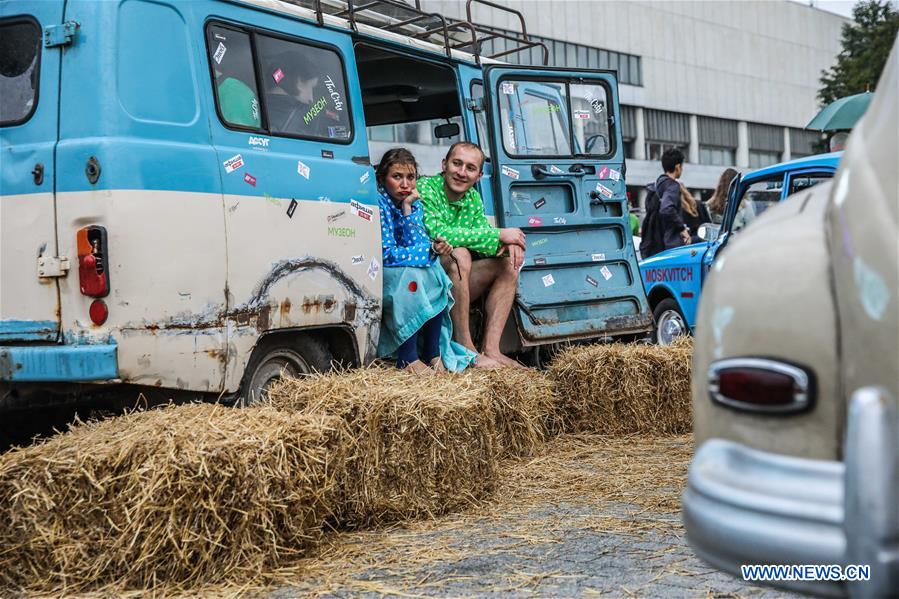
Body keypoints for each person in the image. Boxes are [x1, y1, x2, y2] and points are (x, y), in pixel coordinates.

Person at [417, 142, 526, 369]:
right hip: (423, 285)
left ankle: (492, 349)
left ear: (478, 176)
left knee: (508, 266)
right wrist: (499, 234)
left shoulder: (473, 198)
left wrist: (509, 243)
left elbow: (484, 241)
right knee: (460, 254)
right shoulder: (426, 187)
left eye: (470, 168)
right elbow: (439, 233)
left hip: (453, 286)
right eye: (457, 164)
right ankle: (465, 345)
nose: (461, 172)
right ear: (444, 165)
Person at [375, 148, 477, 375]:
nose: (405, 184)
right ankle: (407, 357)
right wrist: (429, 250)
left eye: (410, 178)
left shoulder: (413, 203)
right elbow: (387, 253)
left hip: (404, 266)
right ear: (382, 179)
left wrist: (408, 209)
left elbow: (416, 243)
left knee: (435, 272)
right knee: (413, 276)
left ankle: (433, 353)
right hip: (384, 271)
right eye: (397, 177)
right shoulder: (379, 204)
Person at [656, 148, 692, 249]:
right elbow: (666, 208)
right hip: (672, 244)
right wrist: (682, 228)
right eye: (682, 166)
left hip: (660, 244)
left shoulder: (658, 185)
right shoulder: (673, 186)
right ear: (677, 167)